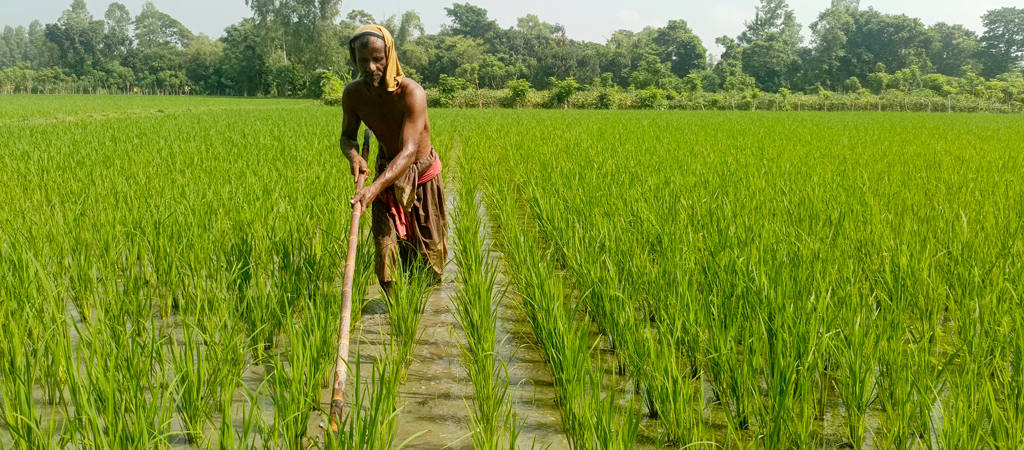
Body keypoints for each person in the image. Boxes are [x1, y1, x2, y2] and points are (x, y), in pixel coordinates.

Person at [339, 25, 448, 295]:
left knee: (428, 257)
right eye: (363, 60)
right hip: (387, 173)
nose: (371, 67)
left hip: (421, 177)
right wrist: (353, 155)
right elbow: (347, 136)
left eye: (378, 59)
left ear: (390, 56)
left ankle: (424, 311)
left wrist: (373, 189)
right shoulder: (353, 94)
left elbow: (410, 152)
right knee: (385, 253)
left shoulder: (412, 93)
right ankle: (396, 314)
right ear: (354, 59)